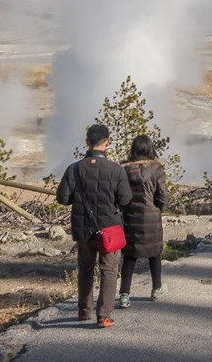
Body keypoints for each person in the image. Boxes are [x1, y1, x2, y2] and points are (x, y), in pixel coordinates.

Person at [56, 124, 131, 328]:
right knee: (109, 270)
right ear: (108, 142)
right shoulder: (116, 170)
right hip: (109, 229)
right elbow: (125, 200)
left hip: (83, 228)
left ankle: (84, 311)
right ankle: (103, 315)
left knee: (86, 269)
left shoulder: (74, 169)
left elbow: (62, 198)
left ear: (87, 142)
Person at [117, 135, 168, 309]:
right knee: (154, 253)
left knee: (130, 255)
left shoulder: (123, 169)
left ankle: (124, 295)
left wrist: (124, 209)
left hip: (130, 216)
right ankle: (156, 288)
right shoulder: (156, 168)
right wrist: (159, 209)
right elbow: (162, 195)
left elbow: (119, 195)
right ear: (149, 149)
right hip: (151, 216)